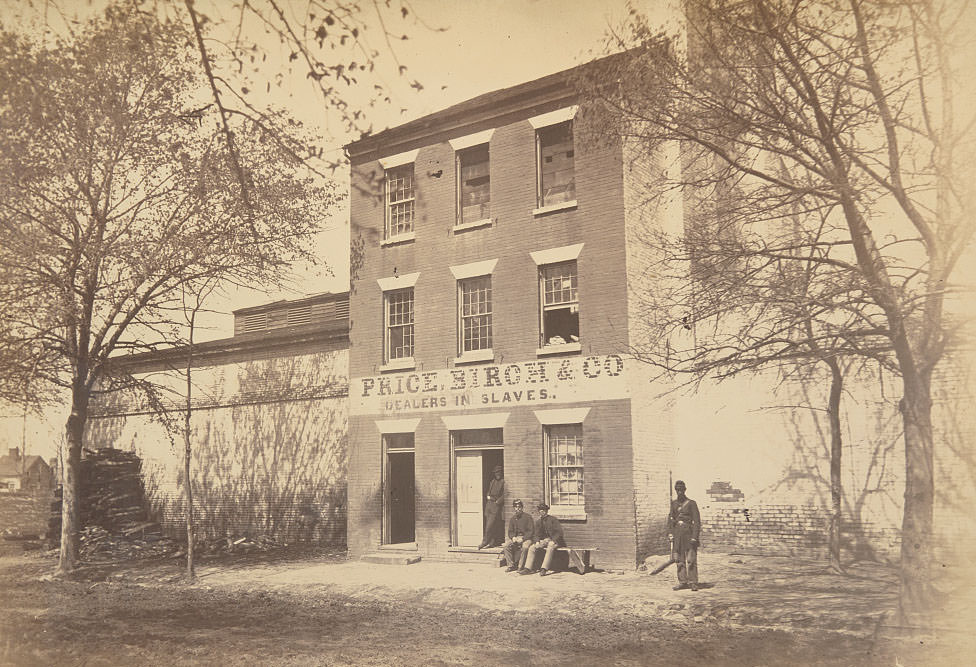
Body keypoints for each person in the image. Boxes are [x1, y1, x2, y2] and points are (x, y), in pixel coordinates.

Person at [667, 479, 701, 591]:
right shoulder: (674, 504)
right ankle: (682, 581)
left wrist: (694, 537)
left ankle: (693, 582)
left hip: (689, 534)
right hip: (677, 535)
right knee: (679, 560)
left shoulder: (691, 503)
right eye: (677, 490)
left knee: (691, 559)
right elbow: (670, 520)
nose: (679, 492)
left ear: (685, 490)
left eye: (681, 490)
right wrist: (670, 533)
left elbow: (697, 521)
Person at [520, 503, 565, 576]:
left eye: (543, 510)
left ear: (547, 511)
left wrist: (553, 540)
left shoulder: (553, 519)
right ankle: (527, 568)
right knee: (532, 547)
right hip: (544, 540)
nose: (542, 512)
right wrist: (537, 541)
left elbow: (559, 532)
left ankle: (544, 568)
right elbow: (536, 534)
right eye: (540, 511)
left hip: (554, 540)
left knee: (550, 546)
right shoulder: (538, 522)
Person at [501, 499, 535, 572]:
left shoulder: (528, 517)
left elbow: (531, 531)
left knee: (525, 547)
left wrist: (523, 539)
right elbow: (510, 531)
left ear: (522, 507)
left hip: (526, 538)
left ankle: (520, 566)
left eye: (519, 507)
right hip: (516, 538)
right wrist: (513, 537)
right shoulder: (513, 519)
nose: (518, 508)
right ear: (514, 508)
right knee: (506, 545)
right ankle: (511, 565)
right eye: (516, 507)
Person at [478, 465, 505, 549]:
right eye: (496, 472)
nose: (497, 474)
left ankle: (484, 542)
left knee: (489, 525)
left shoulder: (503, 482)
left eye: (499, 472)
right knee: (490, 524)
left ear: (501, 472)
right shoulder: (492, 481)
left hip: (495, 505)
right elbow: (488, 492)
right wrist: (487, 496)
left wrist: (498, 502)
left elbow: (505, 494)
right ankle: (491, 542)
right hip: (489, 504)